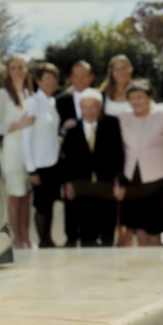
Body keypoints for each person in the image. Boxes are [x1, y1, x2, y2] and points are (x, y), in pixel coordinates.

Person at [117, 79, 163, 247]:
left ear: (150, 97)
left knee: (155, 231)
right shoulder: (124, 118)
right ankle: (146, 268)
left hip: (157, 182)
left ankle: (158, 269)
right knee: (139, 229)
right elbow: (119, 152)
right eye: (132, 97)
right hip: (132, 181)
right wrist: (119, 182)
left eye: (140, 97)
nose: (136, 101)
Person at [61, 88, 125, 247]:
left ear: (100, 106)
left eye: (93, 107)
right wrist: (67, 183)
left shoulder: (112, 123)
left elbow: (119, 154)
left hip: (106, 185)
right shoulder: (72, 129)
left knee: (107, 232)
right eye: (85, 107)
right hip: (82, 187)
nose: (89, 111)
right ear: (80, 108)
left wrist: (119, 181)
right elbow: (66, 159)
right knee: (86, 234)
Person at [0, 55, 35, 249]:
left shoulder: (29, 94)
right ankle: (16, 240)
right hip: (12, 150)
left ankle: (26, 237)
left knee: (27, 196)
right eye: (13, 68)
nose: (18, 71)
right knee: (15, 196)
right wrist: (18, 124)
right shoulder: (2, 94)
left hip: (29, 151)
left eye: (21, 67)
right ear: (8, 72)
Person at [21, 62, 62, 248]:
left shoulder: (52, 102)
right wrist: (31, 170)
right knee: (42, 206)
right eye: (47, 78)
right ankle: (43, 242)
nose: (51, 82)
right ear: (38, 81)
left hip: (53, 162)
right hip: (39, 165)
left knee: (50, 204)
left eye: (54, 78)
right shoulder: (33, 102)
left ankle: (49, 239)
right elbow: (25, 138)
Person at [56, 60, 96, 247]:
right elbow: (54, 131)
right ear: (70, 78)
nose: (80, 79)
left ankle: (90, 236)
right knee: (71, 200)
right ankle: (71, 237)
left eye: (84, 75)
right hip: (70, 159)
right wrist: (64, 129)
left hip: (94, 159)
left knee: (92, 201)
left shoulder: (98, 98)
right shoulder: (61, 101)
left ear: (91, 77)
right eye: (76, 75)